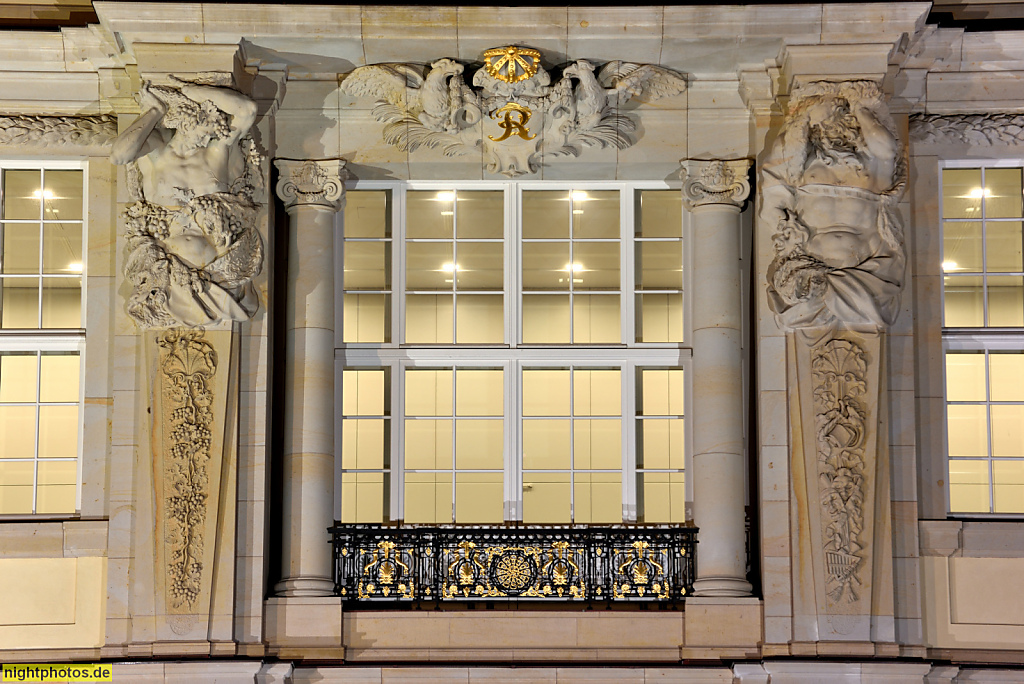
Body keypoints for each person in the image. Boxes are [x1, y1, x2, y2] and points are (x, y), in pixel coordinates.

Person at [111, 77, 263, 328]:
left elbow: (248, 110)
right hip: (169, 278)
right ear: (186, 120)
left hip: (213, 276)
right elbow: (119, 155)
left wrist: (192, 90)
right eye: (205, 131)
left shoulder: (216, 152)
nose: (207, 140)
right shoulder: (155, 151)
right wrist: (157, 111)